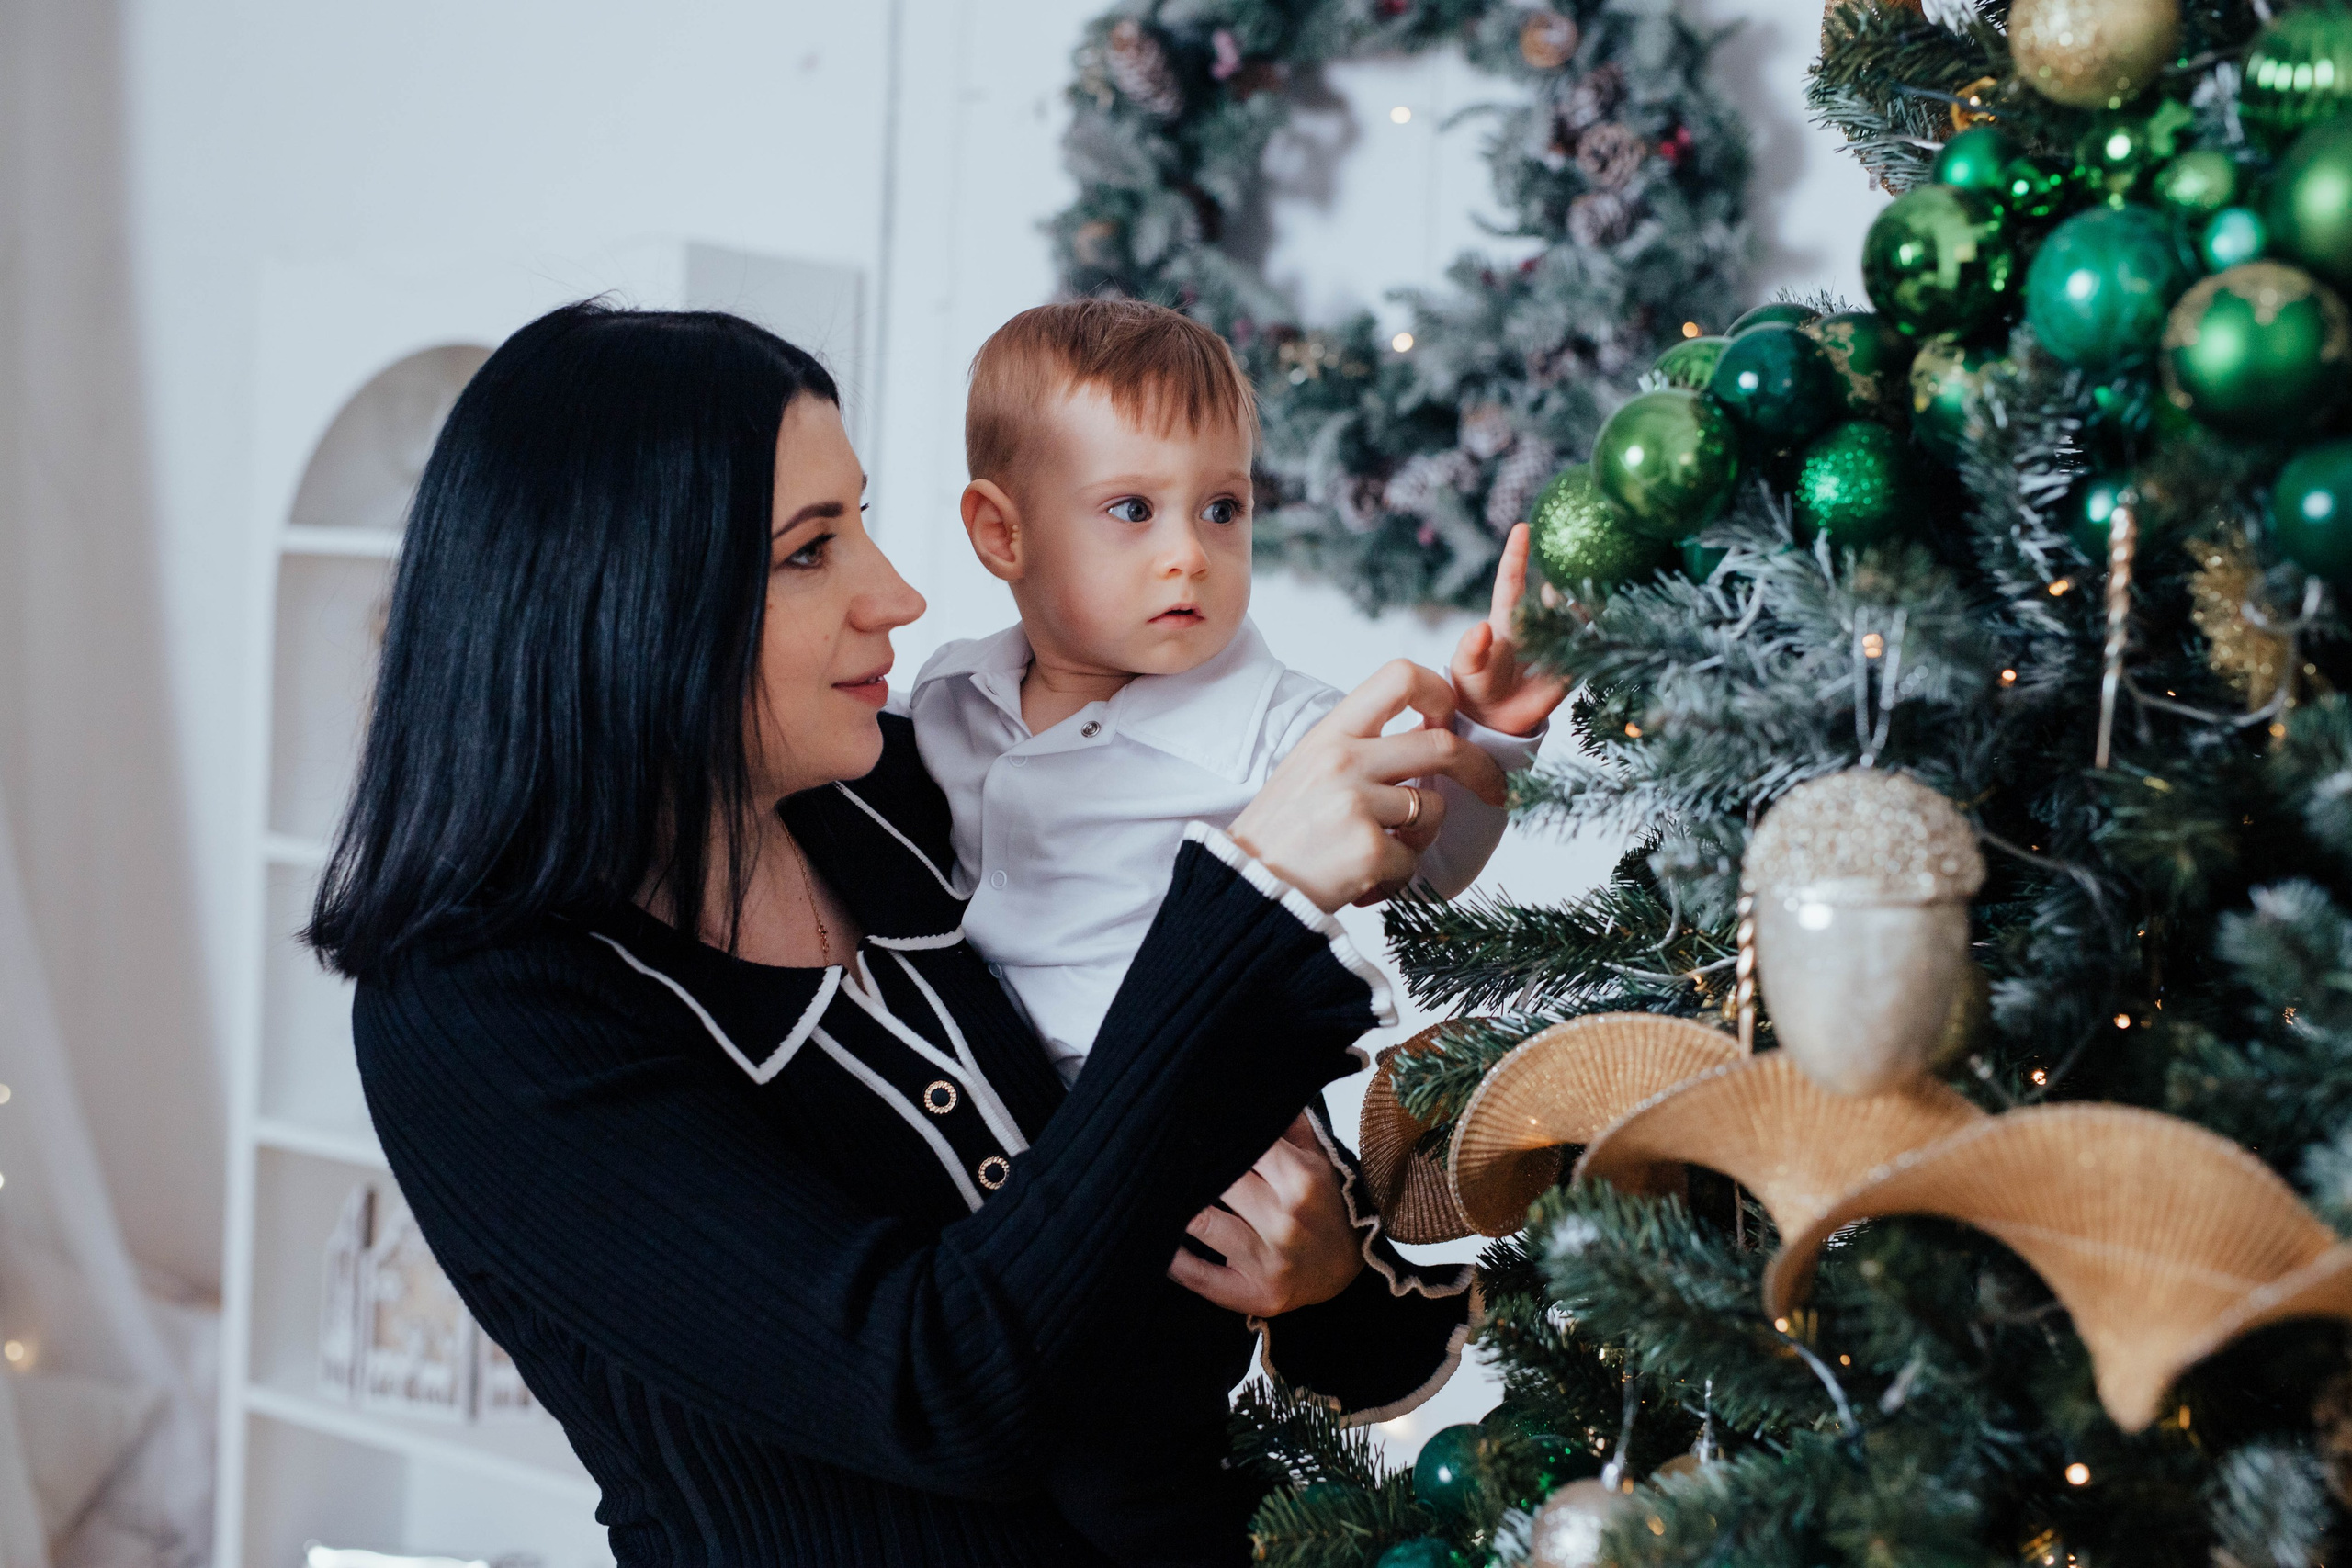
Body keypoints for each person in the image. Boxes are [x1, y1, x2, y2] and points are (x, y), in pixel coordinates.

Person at [306, 301, 1508, 1568]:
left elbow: (1174, 1199)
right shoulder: (479, 1014)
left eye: (863, 518)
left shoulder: (892, 801)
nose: (902, 592)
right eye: (812, 550)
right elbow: (937, 1384)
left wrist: (1324, 1283)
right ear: (630, 597)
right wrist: (1252, 883)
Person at [911, 298, 1567, 1086]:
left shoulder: (1287, 730)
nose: (1189, 553)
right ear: (1002, 533)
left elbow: (1426, 862)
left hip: (1184, 1128)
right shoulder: (948, 695)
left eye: (1223, 508)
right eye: (1132, 509)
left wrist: (1489, 728)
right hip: (991, 1127)